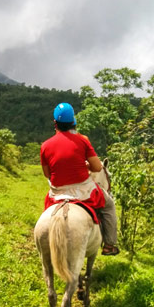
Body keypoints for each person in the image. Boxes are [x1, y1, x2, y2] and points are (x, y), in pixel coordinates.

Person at [40, 102, 120, 256]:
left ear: (55, 123)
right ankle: (109, 245)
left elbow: (47, 174)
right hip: (84, 190)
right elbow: (97, 168)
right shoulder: (82, 140)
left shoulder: (45, 145)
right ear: (73, 122)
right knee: (109, 205)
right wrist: (87, 166)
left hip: (58, 192)